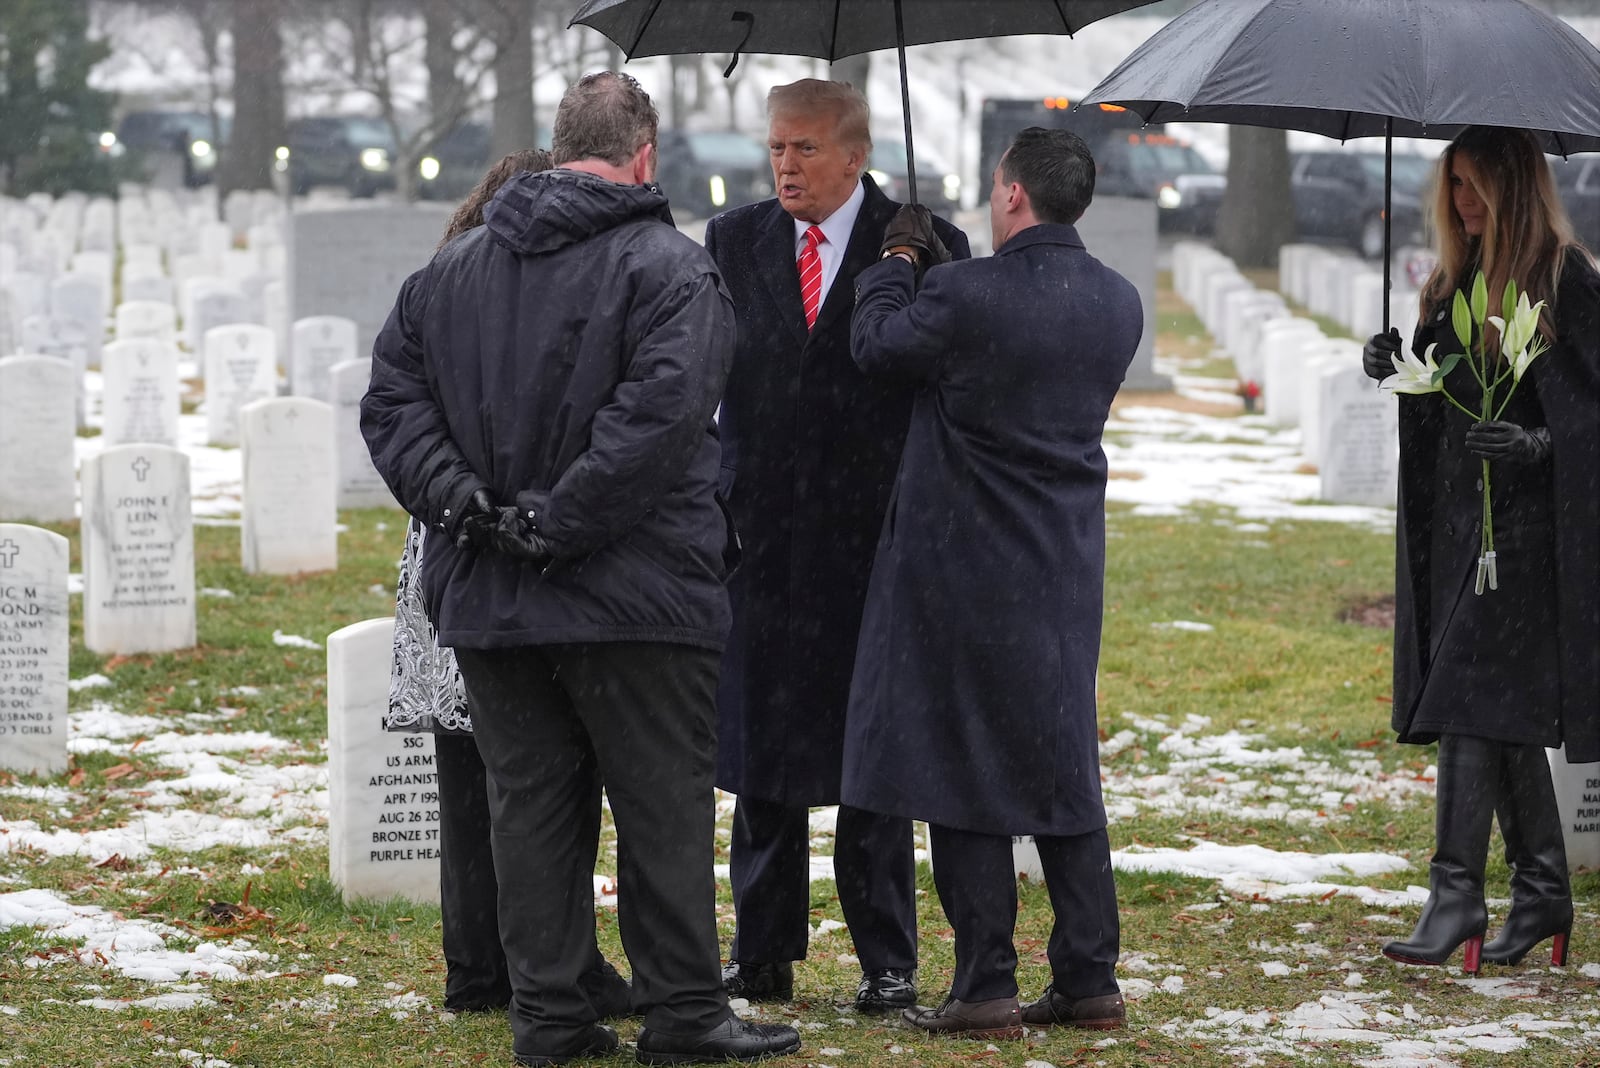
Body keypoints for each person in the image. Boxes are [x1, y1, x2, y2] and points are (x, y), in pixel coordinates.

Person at [362, 72, 801, 1067]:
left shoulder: (450, 274)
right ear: (642, 156)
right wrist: (554, 522)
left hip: (494, 593)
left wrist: (467, 507)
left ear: (564, 148)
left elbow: (394, 408)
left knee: (531, 810)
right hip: (639, 602)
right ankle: (685, 1014)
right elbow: (660, 423)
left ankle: (552, 1018)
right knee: (661, 808)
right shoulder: (671, 269)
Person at [843, 127, 1141, 1038]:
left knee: (962, 767)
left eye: (993, 186)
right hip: (1061, 566)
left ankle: (986, 984)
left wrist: (898, 256)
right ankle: (1090, 976)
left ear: (1012, 195)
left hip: (963, 567)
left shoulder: (965, 292)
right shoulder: (1117, 302)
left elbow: (878, 347)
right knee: (1061, 770)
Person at [702, 77, 969, 1014]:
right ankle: (763, 950)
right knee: (762, 748)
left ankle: (887, 959)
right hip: (764, 535)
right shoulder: (733, 240)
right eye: (776, 147)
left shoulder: (924, 241)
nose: (785, 165)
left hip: (875, 536)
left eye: (805, 149)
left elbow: (939, 374)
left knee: (873, 755)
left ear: (856, 155)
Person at [381, 147, 628, 1020]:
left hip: (448, 548)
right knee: (537, 785)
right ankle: (544, 967)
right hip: (494, 550)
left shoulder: (447, 284)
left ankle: (477, 966)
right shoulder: (502, 297)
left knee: (473, 781)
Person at [1361, 125, 1600, 974]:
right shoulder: (1450, 283)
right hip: (1465, 526)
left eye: (1476, 187)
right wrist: (1394, 368)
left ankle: (1456, 891)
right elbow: (1440, 403)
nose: (1461, 204)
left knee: (1466, 693)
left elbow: (1591, 409)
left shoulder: (1565, 282)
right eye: (1453, 186)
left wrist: (1540, 445)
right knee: (1491, 709)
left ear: (1513, 189)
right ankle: (1541, 889)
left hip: (1533, 538)